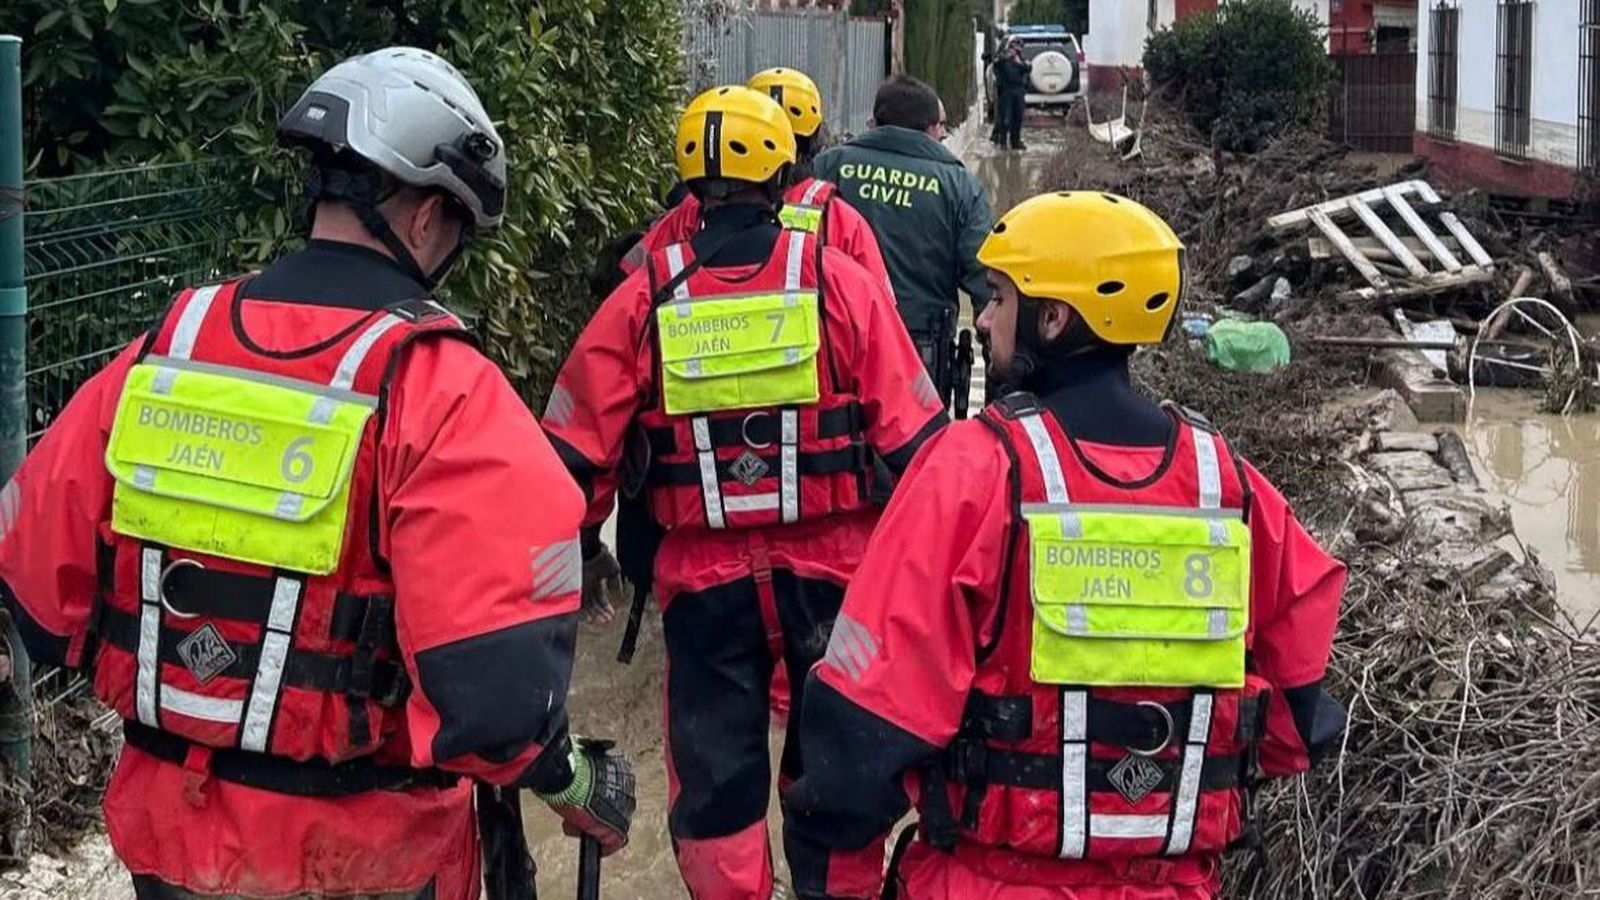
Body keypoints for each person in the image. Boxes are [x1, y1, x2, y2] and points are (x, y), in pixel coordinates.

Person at [0, 47, 634, 899]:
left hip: (169, 841)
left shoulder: (166, 352)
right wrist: (572, 779)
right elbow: (500, 704)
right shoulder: (439, 388)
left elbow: (35, 590)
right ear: (426, 218)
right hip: (364, 852)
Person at [782, 192, 1348, 900]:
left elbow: (867, 729)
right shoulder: (1227, 485)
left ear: (1053, 318)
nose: (984, 319)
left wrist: (834, 877)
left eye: (998, 298)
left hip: (987, 882)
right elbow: (1297, 720)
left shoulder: (973, 471)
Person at [542, 85, 947, 900]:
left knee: (716, 782)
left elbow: (571, 456)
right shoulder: (839, 282)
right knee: (838, 767)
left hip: (703, 588)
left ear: (689, 183)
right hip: (834, 578)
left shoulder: (645, 296)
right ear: (784, 174)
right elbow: (919, 446)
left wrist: (568, 565)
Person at [813, 76, 994, 415]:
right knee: (919, 445)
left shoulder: (828, 167)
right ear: (930, 128)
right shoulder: (959, 185)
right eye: (942, 128)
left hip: (831, 345)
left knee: (836, 440)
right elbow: (987, 280)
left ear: (875, 122)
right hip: (921, 355)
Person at [621, 67, 892, 292]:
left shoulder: (689, 211)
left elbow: (628, 272)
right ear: (812, 136)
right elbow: (878, 306)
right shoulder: (839, 220)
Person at [992, 40, 1032, 151]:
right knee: (1005, 119)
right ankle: (1003, 142)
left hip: (1018, 91)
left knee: (1017, 118)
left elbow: (1028, 68)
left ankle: (1015, 142)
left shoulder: (1020, 59)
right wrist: (1006, 58)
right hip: (1006, 92)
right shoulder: (1003, 58)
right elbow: (996, 64)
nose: (1015, 51)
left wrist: (1017, 61)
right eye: (1014, 48)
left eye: (1018, 49)